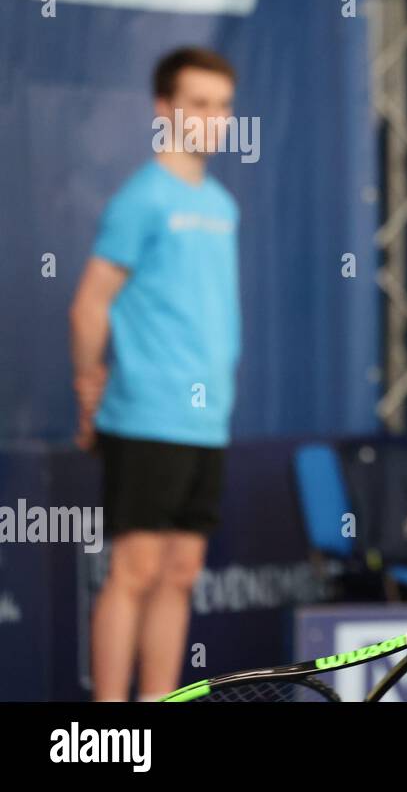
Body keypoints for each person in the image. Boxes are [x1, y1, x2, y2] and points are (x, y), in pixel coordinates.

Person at [69, 47, 242, 702]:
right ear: (164, 110)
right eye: (198, 104)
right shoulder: (140, 198)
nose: (213, 119)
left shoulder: (223, 204)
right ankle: (113, 724)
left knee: (180, 569)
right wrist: (90, 390)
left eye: (223, 106)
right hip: (144, 412)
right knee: (136, 570)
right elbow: (88, 303)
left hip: (206, 418)